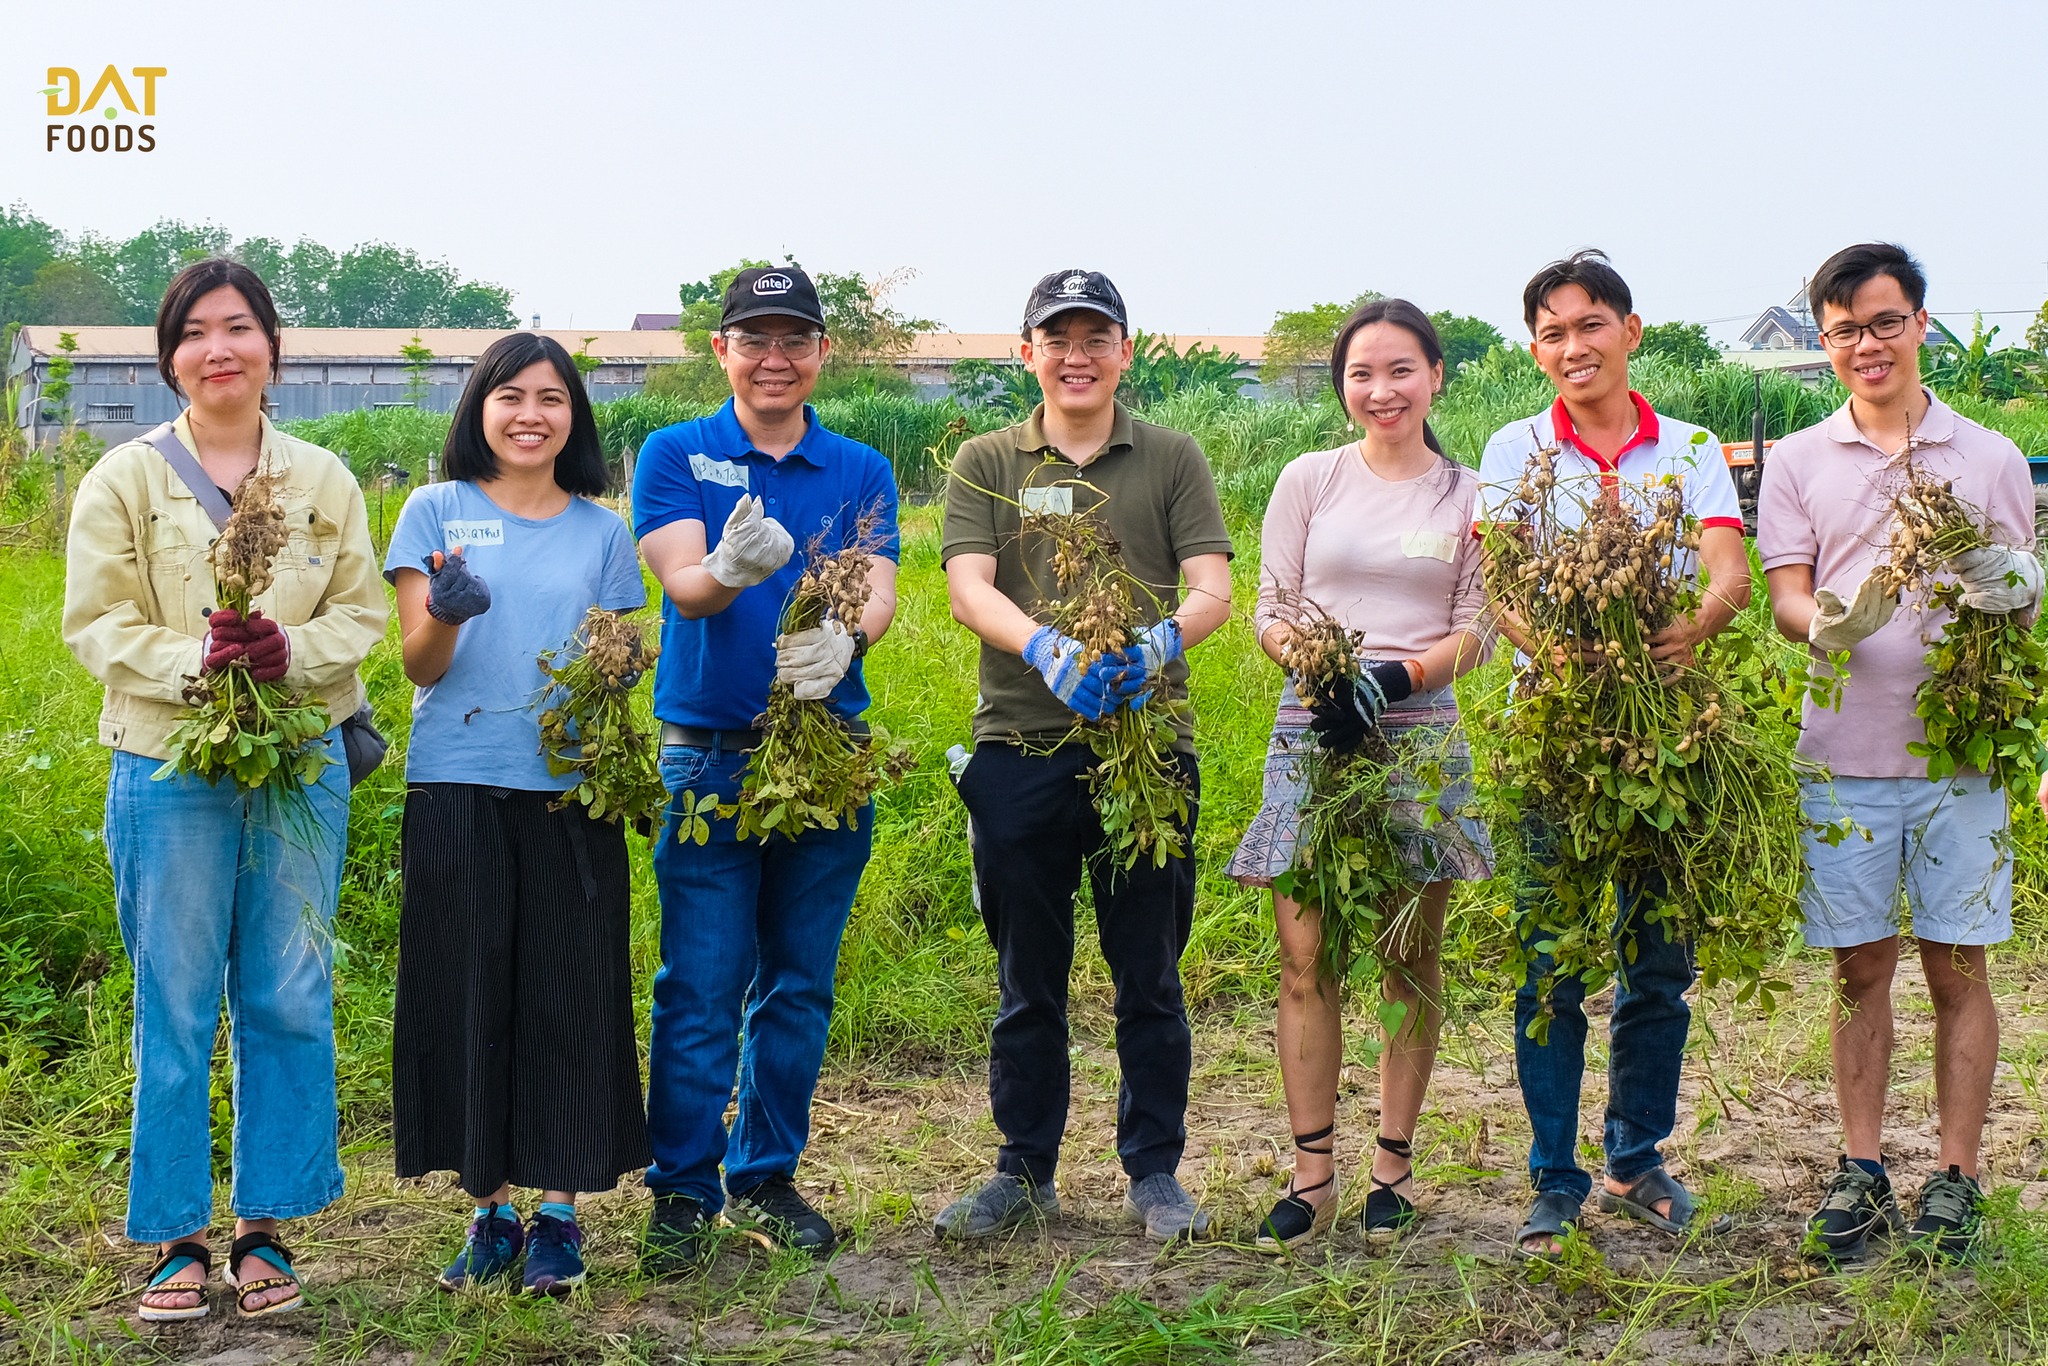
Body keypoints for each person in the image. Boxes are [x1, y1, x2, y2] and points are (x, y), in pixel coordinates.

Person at [62, 259, 386, 1320]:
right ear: (170, 359)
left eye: (239, 327)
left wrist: (288, 647)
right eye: (196, 332)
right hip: (166, 761)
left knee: (287, 989)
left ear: (271, 348)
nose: (219, 348)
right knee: (175, 997)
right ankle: (174, 1235)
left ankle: (266, 1227)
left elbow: (364, 616)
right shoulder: (124, 478)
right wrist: (196, 662)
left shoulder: (322, 478)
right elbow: (97, 622)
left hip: (298, 756)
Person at [935, 269, 1234, 1243]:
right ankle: (1023, 1170)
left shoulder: (1170, 457)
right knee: (1029, 976)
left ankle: (1153, 1173)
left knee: (1147, 970)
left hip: (1142, 753)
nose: (1075, 355)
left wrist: (1159, 644)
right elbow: (968, 588)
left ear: (1123, 351)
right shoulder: (986, 458)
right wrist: (1043, 646)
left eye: (1093, 337)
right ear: (1027, 351)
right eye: (1055, 337)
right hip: (1020, 743)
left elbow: (1210, 586)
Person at [1757, 243, 2039, 1260]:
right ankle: (1861, 1168)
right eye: (1841, 330)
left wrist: (2008, 582)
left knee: (1957, 966)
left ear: (1919, 323)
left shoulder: (1989, 455)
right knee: (1857, 967)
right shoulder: (1794, 459)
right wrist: (1819, 622)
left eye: (1881, 322)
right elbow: (1786, 588)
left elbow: (2022, 596)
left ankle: (1954, 1176)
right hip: (1841, 753)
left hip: (1961, 757)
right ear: (1822, 343)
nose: (1863, 345)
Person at [1476, 250, 1749, 1256]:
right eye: (1550, 332)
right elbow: (1500, 578)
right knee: (1545, 963)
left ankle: (1634, 1157)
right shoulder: (1512, 448)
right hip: (1551, 734)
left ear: (1628, 332)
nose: (1570, 345)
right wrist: (1544, 647)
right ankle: (1553, 1175)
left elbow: (1726, 561)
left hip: (1662, 734)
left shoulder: (1687, 446)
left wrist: (1693, 625)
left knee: (1653, 961)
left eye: (1588, 324)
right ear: (1535, 349)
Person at [633, 266, 900, 1268]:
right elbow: (681, 583)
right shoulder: (676, 452)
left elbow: (874, 587)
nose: (774, 356)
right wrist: (727, 572)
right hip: (706, 754)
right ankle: (681, 1192)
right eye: (755, 337)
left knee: (796, 982)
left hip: (824, 752)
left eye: (795, 339)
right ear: (722, 350)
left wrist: (847, 639)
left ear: (821, 353)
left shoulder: (860, 467)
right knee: (699, 982)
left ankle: (767, 1173)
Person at [384, 332, 651, 1295]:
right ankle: (490, 1211)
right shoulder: (435, 510)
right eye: (510, 396)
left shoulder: (603, 533)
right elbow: (419, 664)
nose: (530, 414)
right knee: (472, 991)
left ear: (573, 416)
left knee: (569, 998)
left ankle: (561, 1217)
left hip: (572, 794)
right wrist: (447, 609)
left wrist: (626, 663)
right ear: (479, 409)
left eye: (551, 397)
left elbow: (612, 659)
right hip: (456, 783)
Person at [1229, 301, 1495, 1250]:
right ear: (1342, 387)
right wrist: (1318, 666)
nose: (1381, 391)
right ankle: (1311, 1177)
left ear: (1436, 378)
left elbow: (1479, 626)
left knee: (1407, 956)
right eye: (1361, 374)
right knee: (1306, 961)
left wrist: (1396, 676)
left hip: (1419, 738)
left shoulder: (1470, 494)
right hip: (1314, 729)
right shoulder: (1310, 479)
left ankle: (1392, 1169)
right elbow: (1273, 602)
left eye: (1401, 371)